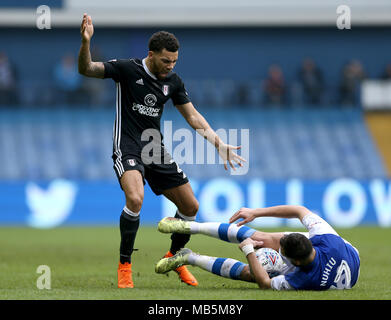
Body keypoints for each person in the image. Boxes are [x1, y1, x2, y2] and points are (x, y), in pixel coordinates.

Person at [77, 14, 245, 288]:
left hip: (155, 148)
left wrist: (218, 143)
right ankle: (125, 266)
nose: (170, 66)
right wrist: (86, 43)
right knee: (135, 198)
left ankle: (174, 258)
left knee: (190, 206)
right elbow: (87, 69)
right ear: (151, 54)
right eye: (166, 60)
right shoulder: (127, 69)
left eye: (174, 61)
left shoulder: (174, 82)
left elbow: (192, 117)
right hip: (128, 144)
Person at [155, 205, 360, 290]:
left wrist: (249, 251)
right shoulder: (327, 238)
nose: (279, 251)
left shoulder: (303, 279)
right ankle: (189, 226)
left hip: (324, 269)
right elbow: (299, 210)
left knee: (252, 273)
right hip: (346, 253)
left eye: (283, 254)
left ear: (295, 263)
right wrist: (256, 213)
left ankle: (189, 257)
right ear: (311, 241)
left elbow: (264, 283)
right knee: (265, 239)